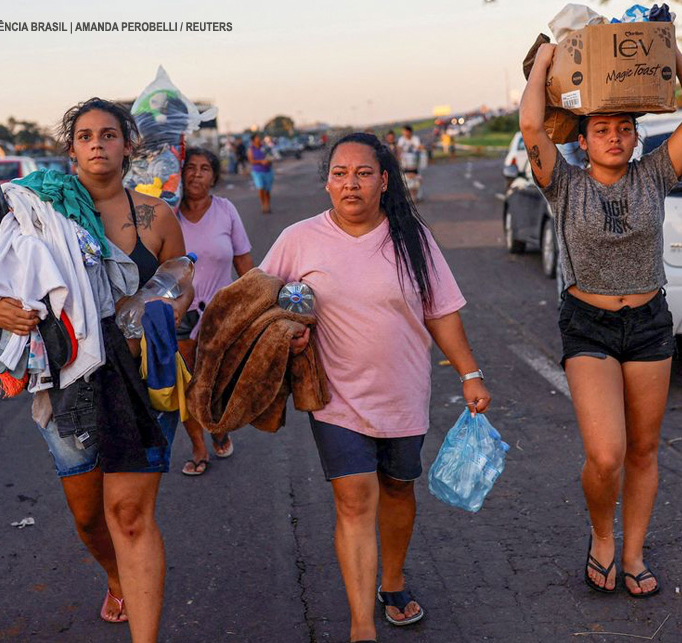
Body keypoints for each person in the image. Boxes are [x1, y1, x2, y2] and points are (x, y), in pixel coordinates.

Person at [260, 132, 491, 643]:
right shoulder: (300, 239)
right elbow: (260, 301)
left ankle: (393, 580)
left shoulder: (412, 238)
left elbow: (442, 313)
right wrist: (287, 334)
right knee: (354, 500)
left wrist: (469, 374)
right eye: (340, 173)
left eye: (363, 173)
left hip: (404, 394)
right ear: (327, 183)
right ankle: (361, 625)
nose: (351, 183)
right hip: (335, 398)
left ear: (384, 181)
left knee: (397, 488)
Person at [0, 98, 194, 641]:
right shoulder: (38, 211)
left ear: (129, 145)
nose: (97, 143)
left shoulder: (157, 216)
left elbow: (180, 277)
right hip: (71, 382)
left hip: (143, 381)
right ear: (72, 148)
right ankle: (114, 575)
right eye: (84, 136)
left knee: (128, 514)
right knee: (87, 516)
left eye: (108, 134)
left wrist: (169, 307)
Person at [520, 43, 682, 597]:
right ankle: (602, 536)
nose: (613, 136)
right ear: (581, 141)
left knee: (643, 451)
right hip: (589, 324)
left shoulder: (655, 175)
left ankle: (632, 555)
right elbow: (533, 121)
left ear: (636, 137)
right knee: (606, 455)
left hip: (650, 322)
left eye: (624, 127)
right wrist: (543, 65)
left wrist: (669, 55)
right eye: (601, 128)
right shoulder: (563, 184)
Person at [176, 147, 254, 475]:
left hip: (220, 315)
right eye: (190, 167)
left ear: (214, 176)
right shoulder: (166, 212)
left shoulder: (225, 210)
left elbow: (243, 262)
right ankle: (198, 447)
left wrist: (255, 305)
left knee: (216, 382)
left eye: (204, 168)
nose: (196, 174)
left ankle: (218, 426)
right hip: (178, 314)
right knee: (187, 384)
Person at [248, 132, 274, 214]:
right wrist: (261, 161)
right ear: (253, 140)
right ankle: (263, 204)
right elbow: (251, 161)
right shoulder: (251, 149)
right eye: (257, 138)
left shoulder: (264, 148)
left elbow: (270, 156)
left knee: (267, 190)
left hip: (267, 171)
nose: (259, 139)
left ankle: (267, 204)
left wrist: (268, 161)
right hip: (257, 171)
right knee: (260, 188)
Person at [396, 125, 424, 201]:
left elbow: (420, 147)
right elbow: (398, 149)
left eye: (405, 131)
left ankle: (418, 195)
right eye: (403, 132)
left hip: (415, 161)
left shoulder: (415, 139)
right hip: (405, 162)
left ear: (410, 132)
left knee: (417, 178)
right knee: (405, 178)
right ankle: (408, 196)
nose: (404, 133)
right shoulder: (401, 140)